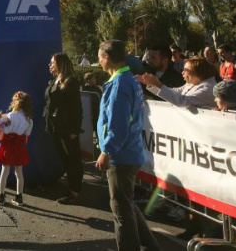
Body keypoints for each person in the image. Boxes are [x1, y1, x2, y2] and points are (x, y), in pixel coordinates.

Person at [96, 40, 160, 251]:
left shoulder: (120, 83)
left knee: (121, 208)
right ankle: (151, 245)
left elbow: (118, 124)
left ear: (106, 57)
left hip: (121, 156)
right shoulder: (125, 80)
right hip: (128, 152)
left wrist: (107, 151)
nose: (98, 60)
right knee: (126, 202)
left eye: (99, 56)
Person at [43, 52, 83, 205]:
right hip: (56, 127)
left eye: (52, 62)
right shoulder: (55, 81)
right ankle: (72, 188)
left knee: (72, 160)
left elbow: (76, 109)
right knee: (65, 160)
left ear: (61, 64)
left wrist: (74, 130)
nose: (50, 65)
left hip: (67, 128)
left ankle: (75, 192)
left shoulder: (71, 82)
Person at [0, 91, 33, 207]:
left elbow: (5, 130)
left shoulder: (9, 116)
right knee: (19, 172)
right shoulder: (29, 120)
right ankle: (19, 196)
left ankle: (1, 196)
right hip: (20, 146)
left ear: (15, 102)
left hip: (8, 145)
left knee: (4, 171)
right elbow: (28, 133)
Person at [137, 57, 216, 109]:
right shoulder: (192, 83)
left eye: (186, 70)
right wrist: (153, 84)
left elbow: (182, 101)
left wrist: (158, 84)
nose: (182, 72)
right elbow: (175, 92)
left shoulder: (208, 88)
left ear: (198, 72)